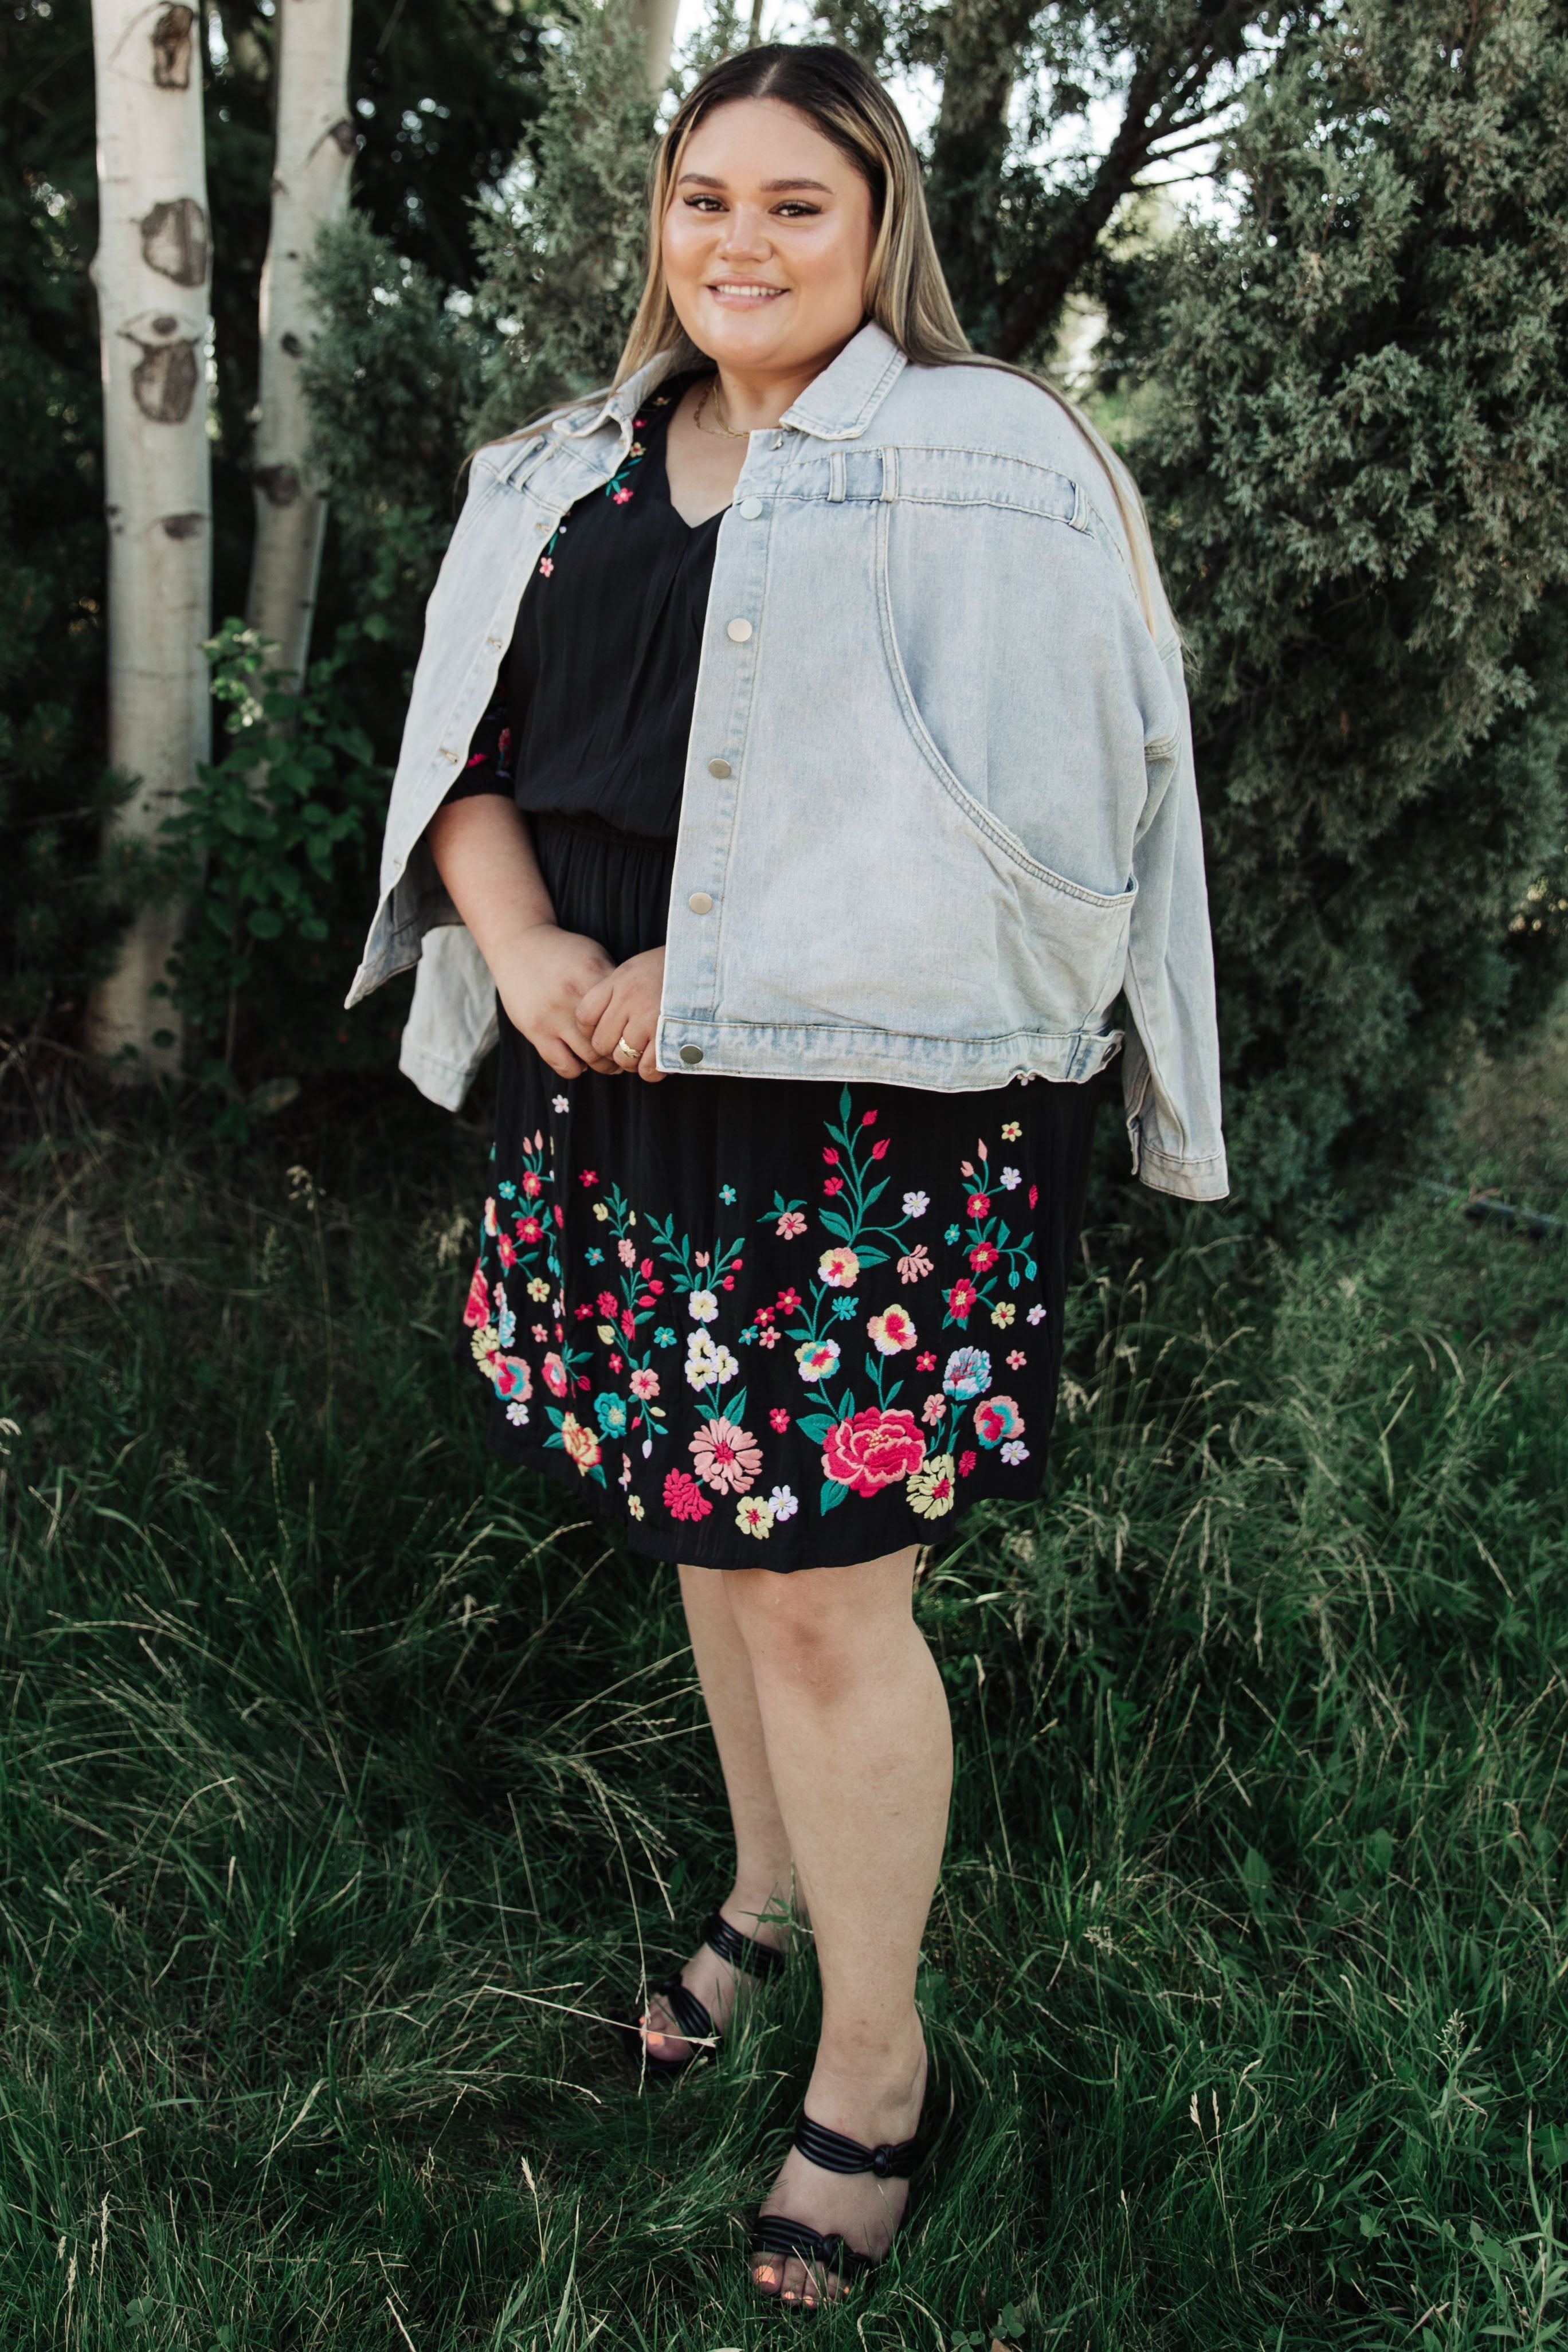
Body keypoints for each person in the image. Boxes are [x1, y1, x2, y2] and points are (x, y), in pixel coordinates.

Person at [347, 39, 1226, 2311]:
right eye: (700, 197)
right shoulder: (581, 468)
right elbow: (475, 753)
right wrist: (533, 943)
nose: (735, 241)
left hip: (859, 1131)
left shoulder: (985, 465)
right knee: (706, 1539)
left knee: (831, 1596)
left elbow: (1054, 826)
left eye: (795, 206)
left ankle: (878, 2060)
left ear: (880, 230)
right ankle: (759, 1893)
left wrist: (717, 979)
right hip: (609, 1091)